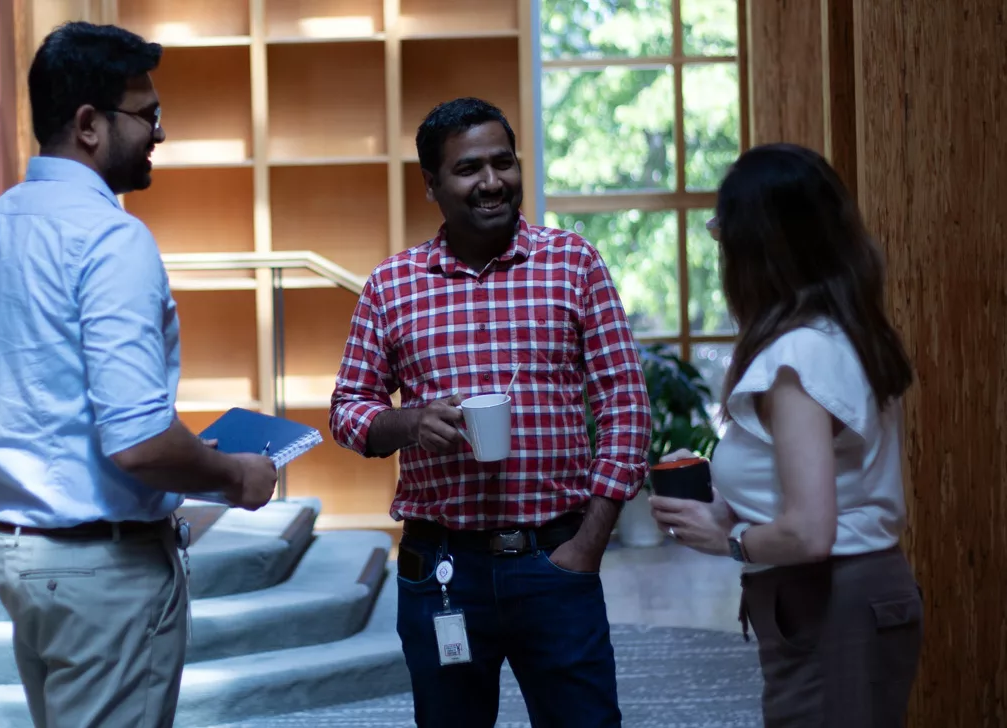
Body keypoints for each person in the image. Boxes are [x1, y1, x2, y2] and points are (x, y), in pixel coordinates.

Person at [0, 21, 278, 728]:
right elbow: (140, 443)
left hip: (21, 559)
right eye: (147, 114)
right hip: (106, 574)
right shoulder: (111, 238)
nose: (159, 131)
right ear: (89, 124)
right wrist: (235, 475)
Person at [329, 96, 652, 728]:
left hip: (555, 557)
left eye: (503, 162)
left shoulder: (574, 264)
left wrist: (590, 542)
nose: (491, 181)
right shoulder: (391, 285)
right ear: (431, 184)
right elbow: (347, 410)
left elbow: (625, 403)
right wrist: (410, 422)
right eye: (468, 168)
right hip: (441, 570)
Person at [649, 143, 922, 727]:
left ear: (757, 248)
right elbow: (823, 488)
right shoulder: (837, 333)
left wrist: (730, 540)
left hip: (832, 602)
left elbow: (808, 531)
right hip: (844, 599)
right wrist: (728, 509)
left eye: (723, 233)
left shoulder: (798, 356)